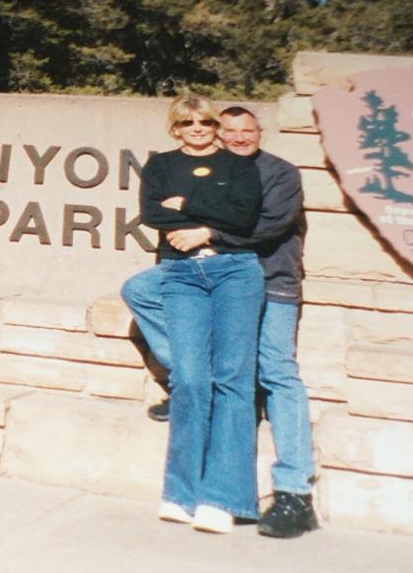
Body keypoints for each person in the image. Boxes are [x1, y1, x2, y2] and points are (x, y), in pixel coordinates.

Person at [122, 106, 319, 539]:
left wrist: (207, 230)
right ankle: (191, 381)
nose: (237, 137)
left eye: (246, 130)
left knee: (276, 371)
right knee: (139, 290)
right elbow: (165, 212)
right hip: (201, 272)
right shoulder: (210, 165)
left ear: (259, 132)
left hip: (269, 280)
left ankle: (294, 491)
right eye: (227, 129)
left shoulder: (279, 173)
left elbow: (265, 224)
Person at [127, 93, 264, 534]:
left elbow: (243, 219)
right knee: (188, 378)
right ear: (176, 128)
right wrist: (201, 222)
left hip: (234, 273)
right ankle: (181, 493)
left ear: (214, 125)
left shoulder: (239, 166)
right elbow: (150, 213)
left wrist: (187, 210)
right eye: (187, 123)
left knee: (232, 380)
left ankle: (223, 499)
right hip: (182, 274)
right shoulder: (160, 166)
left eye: (204, 121)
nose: (198, 129)